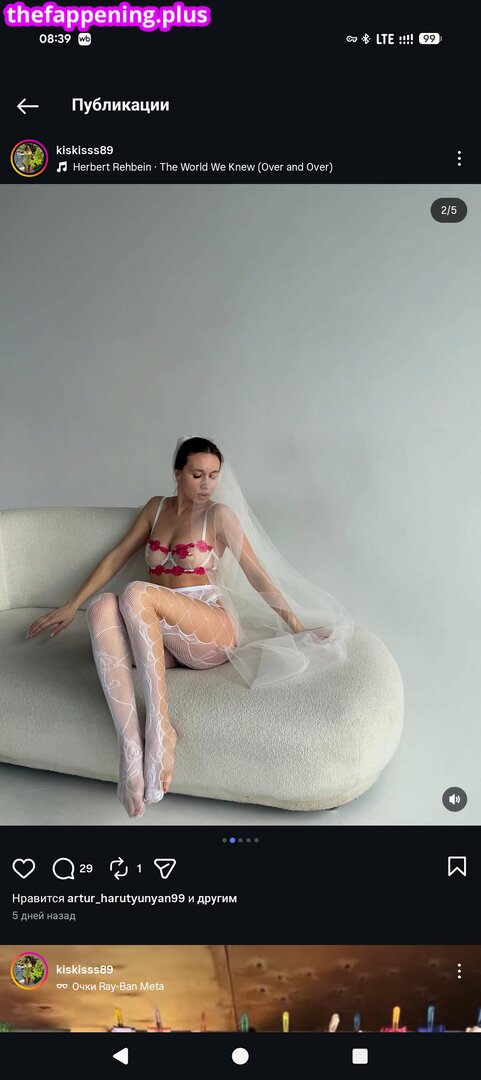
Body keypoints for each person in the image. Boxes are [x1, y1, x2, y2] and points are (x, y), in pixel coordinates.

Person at [26, 436, 353, 818]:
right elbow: (116, 556)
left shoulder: (219, 516)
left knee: (134, 592)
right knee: (100, 608)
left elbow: (257, 574)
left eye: (213, 475)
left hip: (209, 630)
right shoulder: (156, 508)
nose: (206, 484)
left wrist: (296, 625)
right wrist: (72, 604)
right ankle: (130, 749)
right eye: (197, 474)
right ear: (177, 473)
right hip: (157, 636)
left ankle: (160, 727)